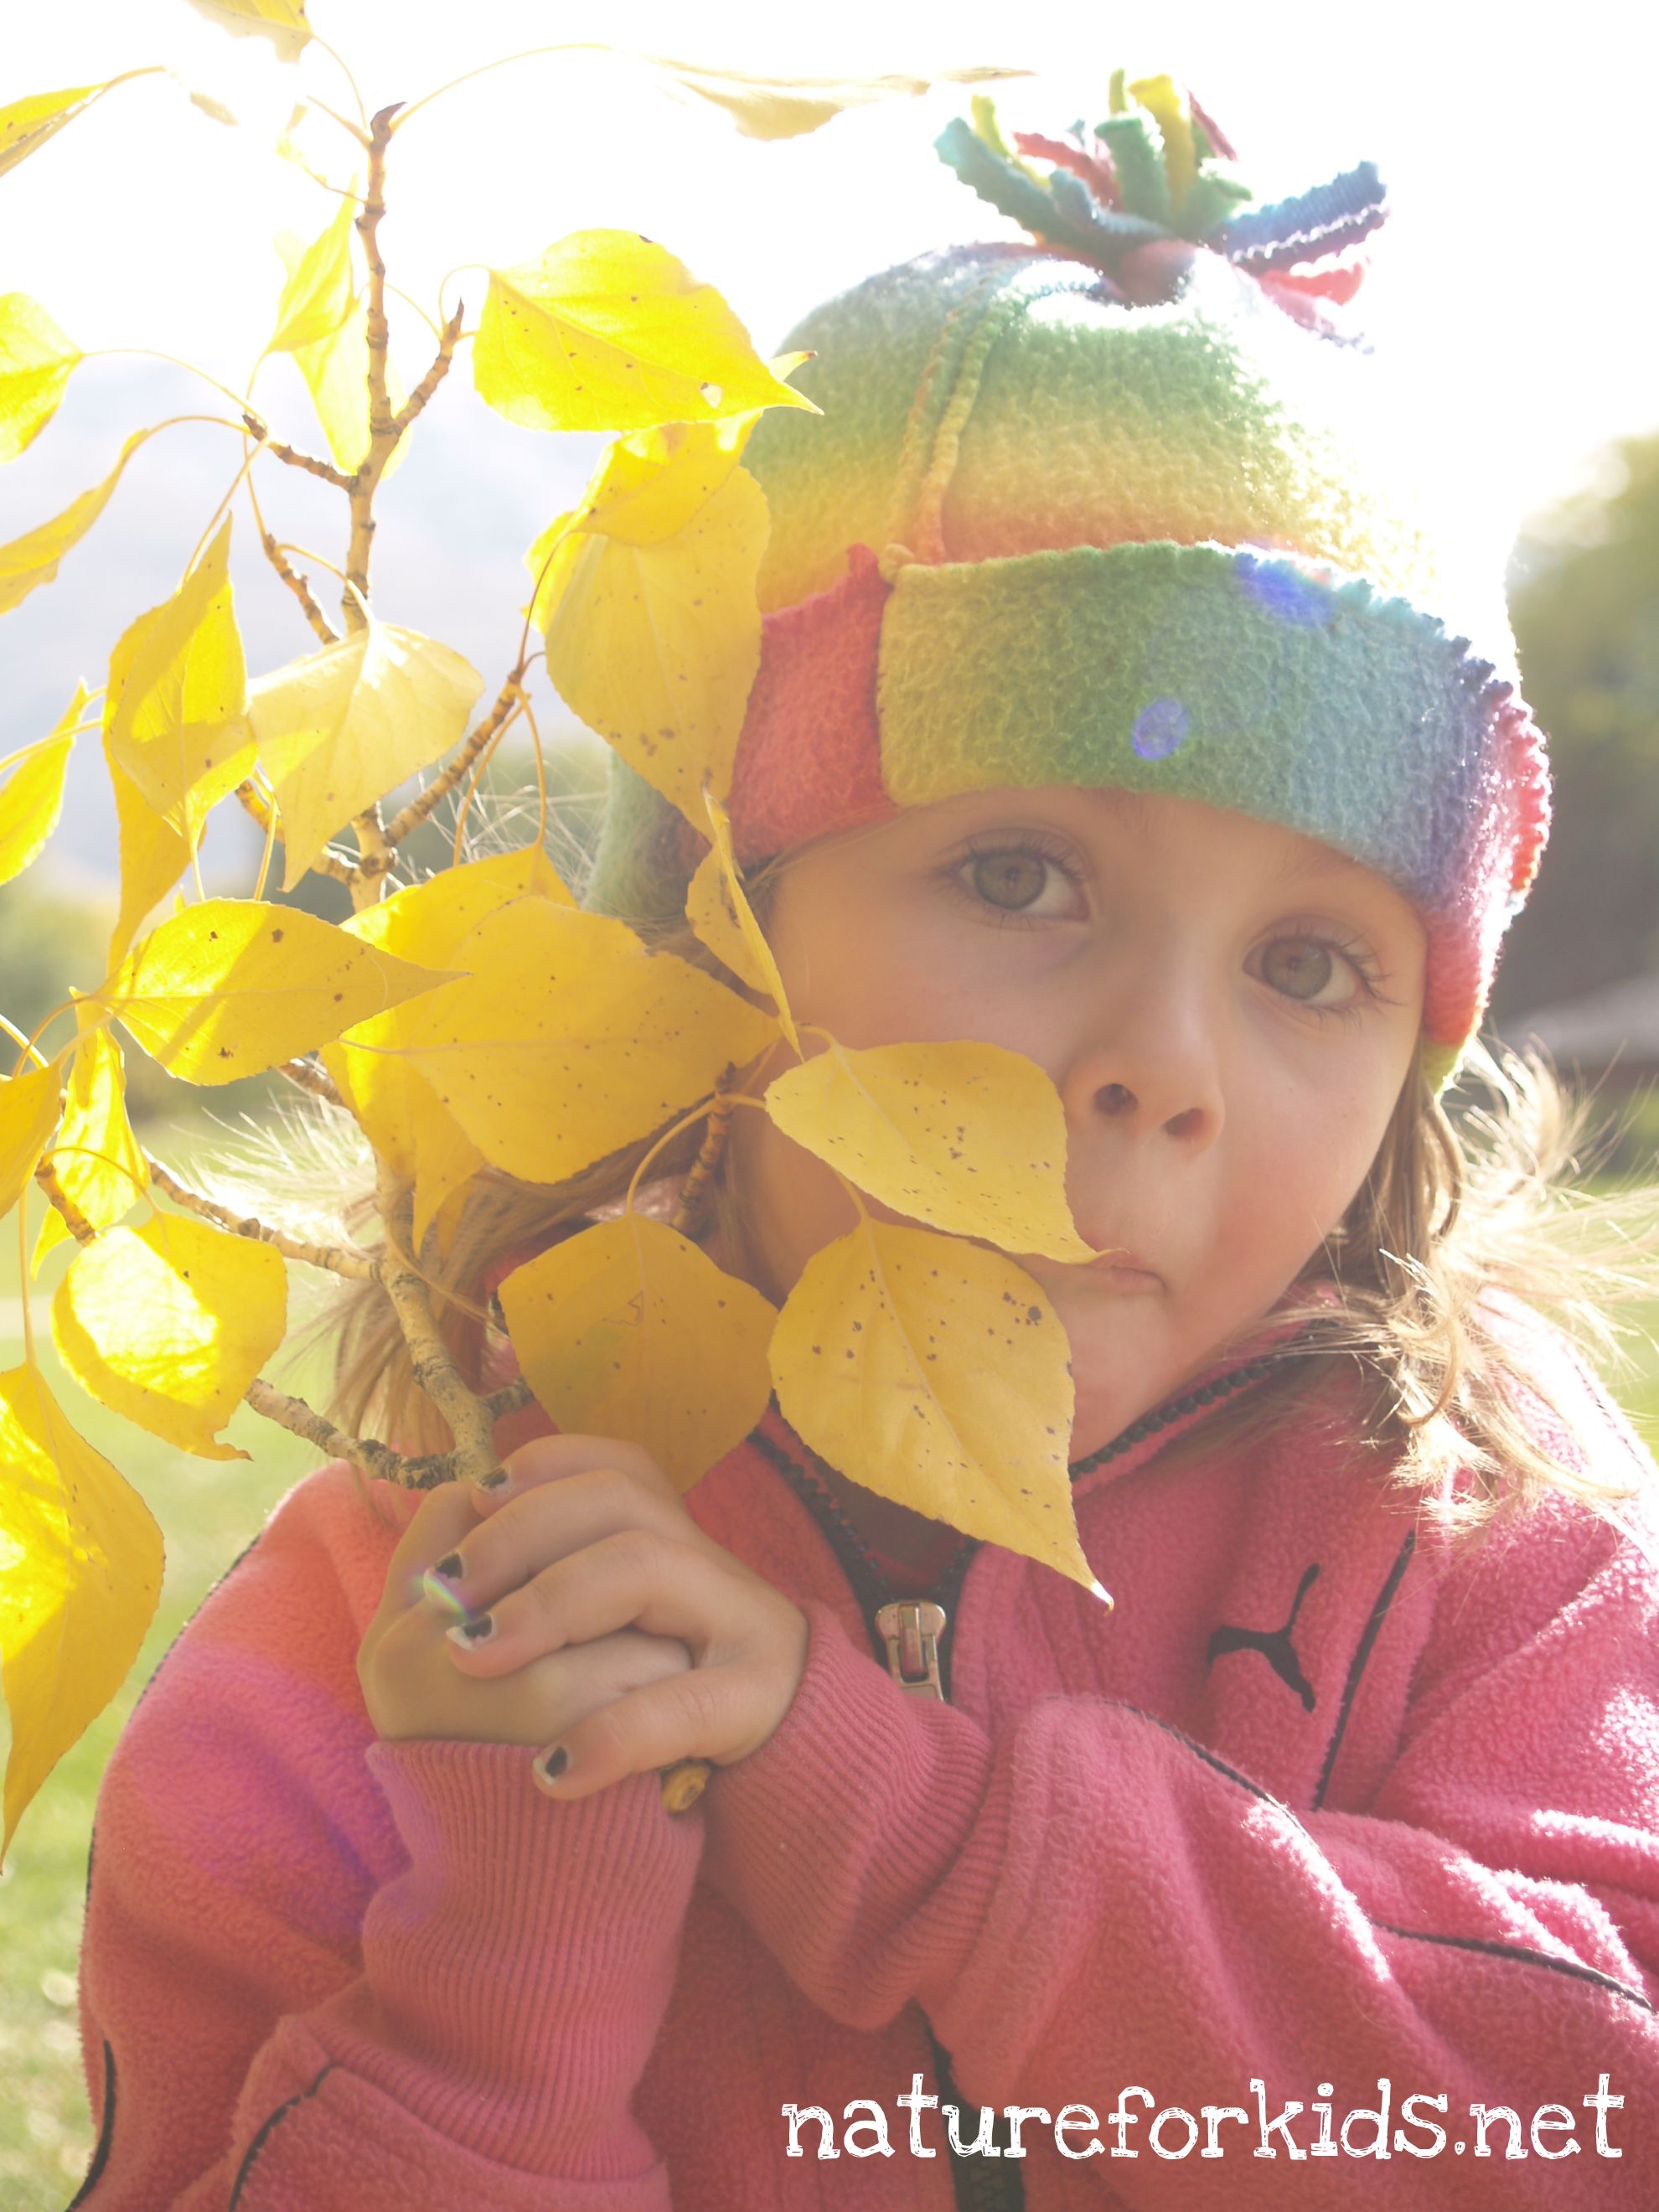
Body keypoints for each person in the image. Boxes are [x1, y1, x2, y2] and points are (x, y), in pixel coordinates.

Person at [69, 71, 1659, 2210]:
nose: (1161, 1063)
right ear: (713, 938)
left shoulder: (1488, 1553)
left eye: (1310, 964)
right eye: (1018, 877)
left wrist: (924, 1832)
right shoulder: (391, 1633)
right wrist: (503, 1948)